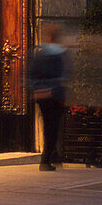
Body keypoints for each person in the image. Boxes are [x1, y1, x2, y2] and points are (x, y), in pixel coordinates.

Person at [29, 24, 68, 171]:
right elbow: (64, 75)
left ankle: (52, 156)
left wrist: (35, 88)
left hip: (41, 94)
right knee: (53, 127)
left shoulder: (39, 53)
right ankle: (46, 159)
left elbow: (30, 73)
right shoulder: (61, 53)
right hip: (55, 94)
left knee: (48, 125)